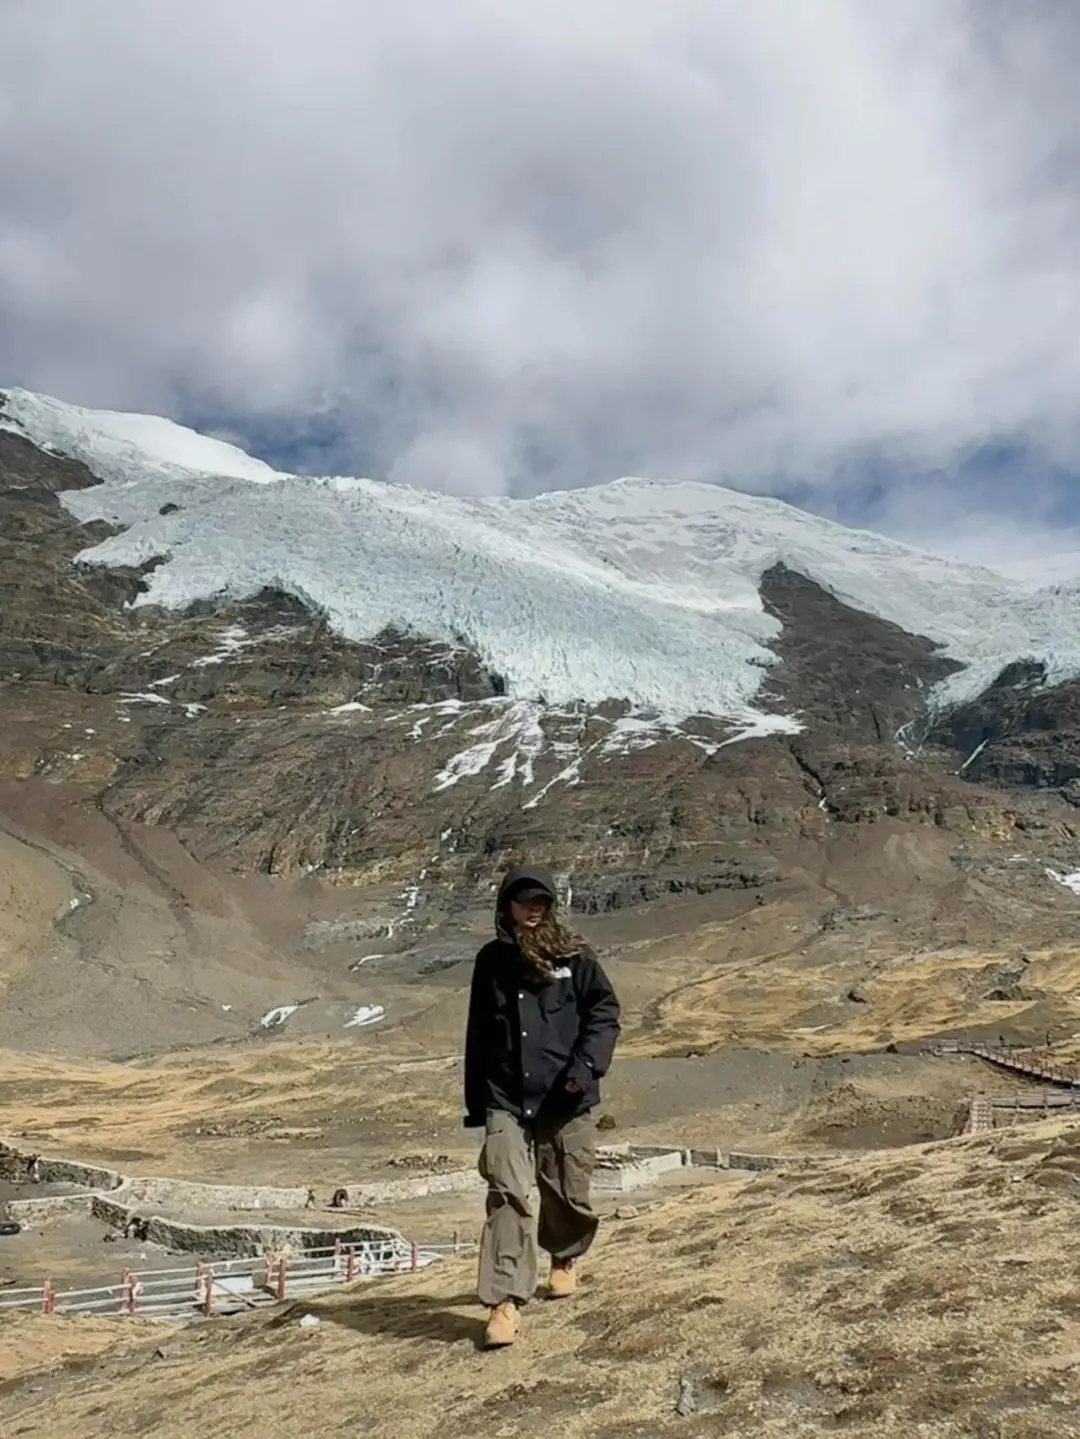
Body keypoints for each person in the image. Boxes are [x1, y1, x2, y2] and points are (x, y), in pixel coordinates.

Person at [464, 864, 621, 1349]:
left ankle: (564, 1256)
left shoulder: (576, 957)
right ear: (505, 906)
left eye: (541, 900)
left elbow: (605, 1013)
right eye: (523, 899)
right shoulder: (490, 960)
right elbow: (478, 1033)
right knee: (507, 1193)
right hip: (506, 1098)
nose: (533, 908)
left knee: (566, 1187)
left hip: (565, 1094)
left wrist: (584, 1070)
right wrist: (479, 1103)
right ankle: (504, 1303)